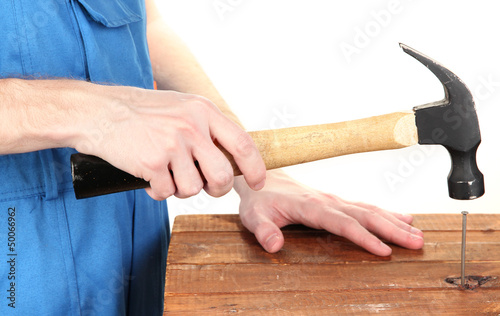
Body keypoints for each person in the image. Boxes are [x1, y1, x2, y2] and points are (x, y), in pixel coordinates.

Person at [0, 0, 424, 315]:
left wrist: (249, 164)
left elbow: (145, 24)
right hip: (19, 264)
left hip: (136, 248)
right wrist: (91, 111)